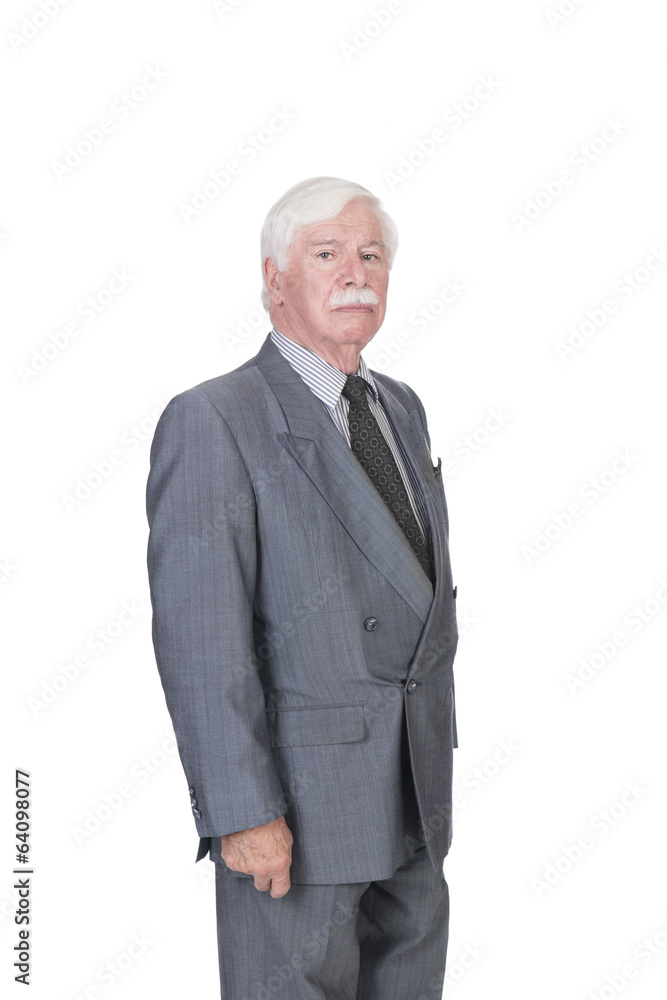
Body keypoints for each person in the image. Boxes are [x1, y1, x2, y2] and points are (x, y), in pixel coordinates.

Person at [146, 176, 459, 999]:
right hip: (295, 816)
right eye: (326, 254)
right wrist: (241, 813)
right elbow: (200, 636)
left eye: (371, 255)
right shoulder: (215, 418)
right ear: (274, 278)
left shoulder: (400, 406)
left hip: (414, 794)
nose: (355, 271)